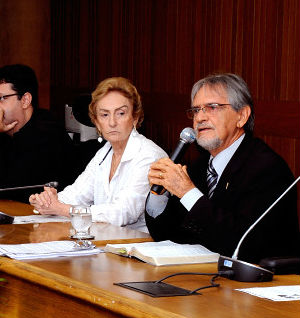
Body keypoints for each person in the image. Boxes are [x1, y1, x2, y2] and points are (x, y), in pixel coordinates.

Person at [145, 73, 300, 262]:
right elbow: (166, 234)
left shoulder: (266, 168)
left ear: (241, 116)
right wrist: (159, 194)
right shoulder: (199, 166)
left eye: (212, 107)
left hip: (256, 281)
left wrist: (188, 193)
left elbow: (244, 243)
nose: (200, 117)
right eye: (195, 110)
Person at [29, 77, 167, 232]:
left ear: (135, 117)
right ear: (96, 122)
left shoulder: (150, 156)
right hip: (107, 242)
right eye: (104, 115)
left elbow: (123, 213)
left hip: (140, 246)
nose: (112, 122)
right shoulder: (105, 152)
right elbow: (77, 194)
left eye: (120, 113)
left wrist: (62, 209)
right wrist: (47, 201)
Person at [0, 64, 77, 202]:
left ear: (25, 100)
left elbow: (3, 190)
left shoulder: (49, 134)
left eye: (0, 98)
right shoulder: (4, 131)